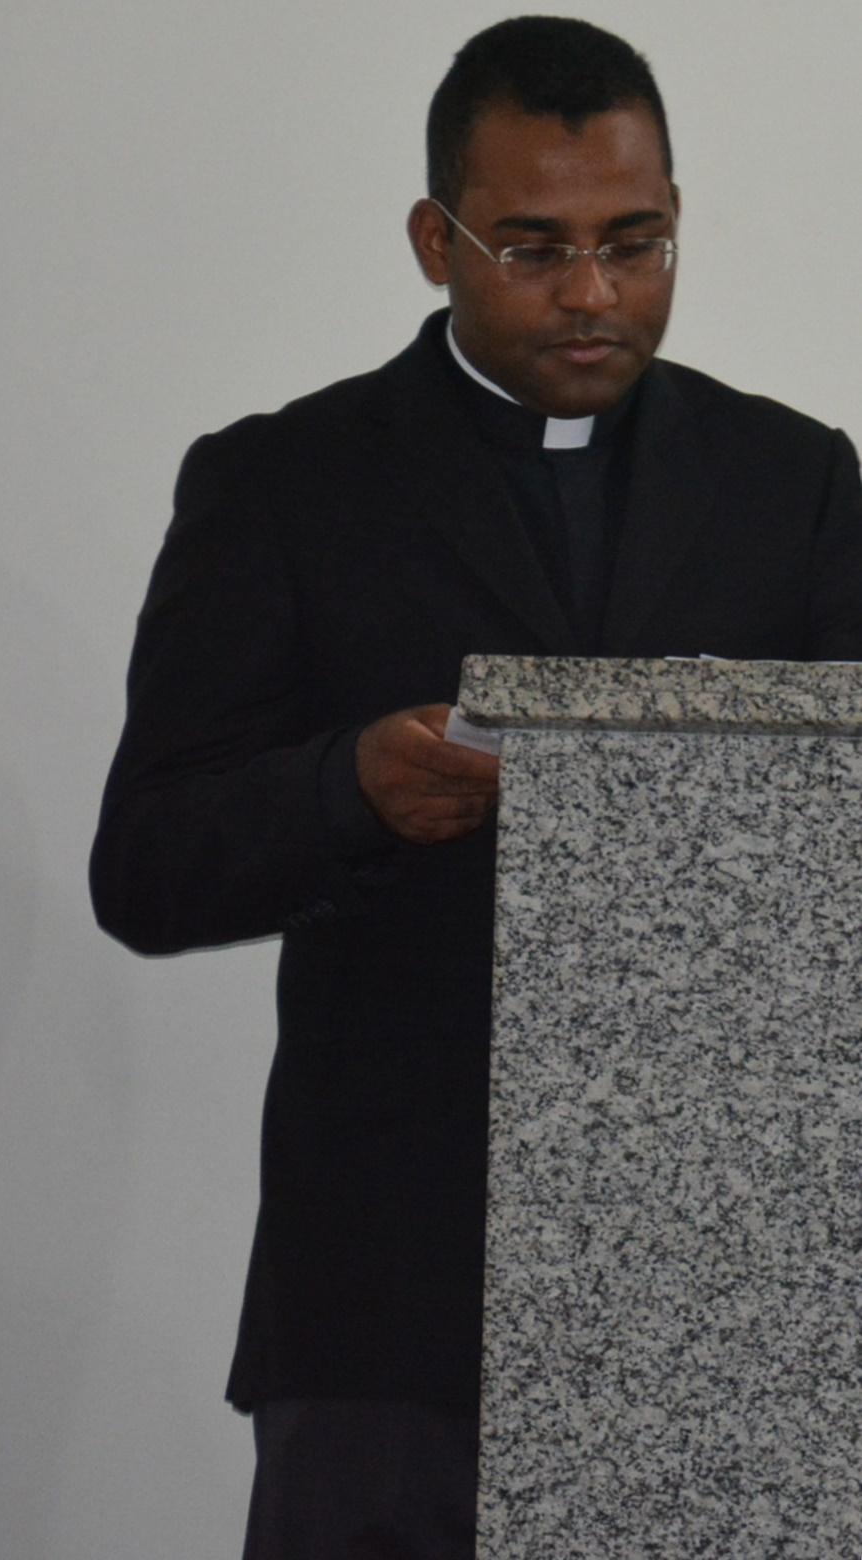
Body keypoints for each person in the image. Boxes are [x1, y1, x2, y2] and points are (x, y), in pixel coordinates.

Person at [89, 16, 862, 1559]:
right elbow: (147, 866)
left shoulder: (795, 482)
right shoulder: (282, 482)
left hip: (719, 1295)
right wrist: (348, 791)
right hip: (392, 1302)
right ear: (435, 240)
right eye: (535, 248)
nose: (593, 293)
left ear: (675, 218)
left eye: (633, 243)